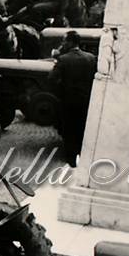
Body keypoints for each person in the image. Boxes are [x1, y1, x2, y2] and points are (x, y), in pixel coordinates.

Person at [49, 31, 97, 164]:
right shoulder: (90, 58)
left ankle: (71, 161)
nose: (63, 44)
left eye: (64, 41)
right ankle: (83, 157)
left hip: (68, 102)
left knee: (69, 131)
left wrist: (61, 92)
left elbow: (52, 79)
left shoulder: (63, 59)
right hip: (86, 101)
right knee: (83, 129)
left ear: (70, 42)